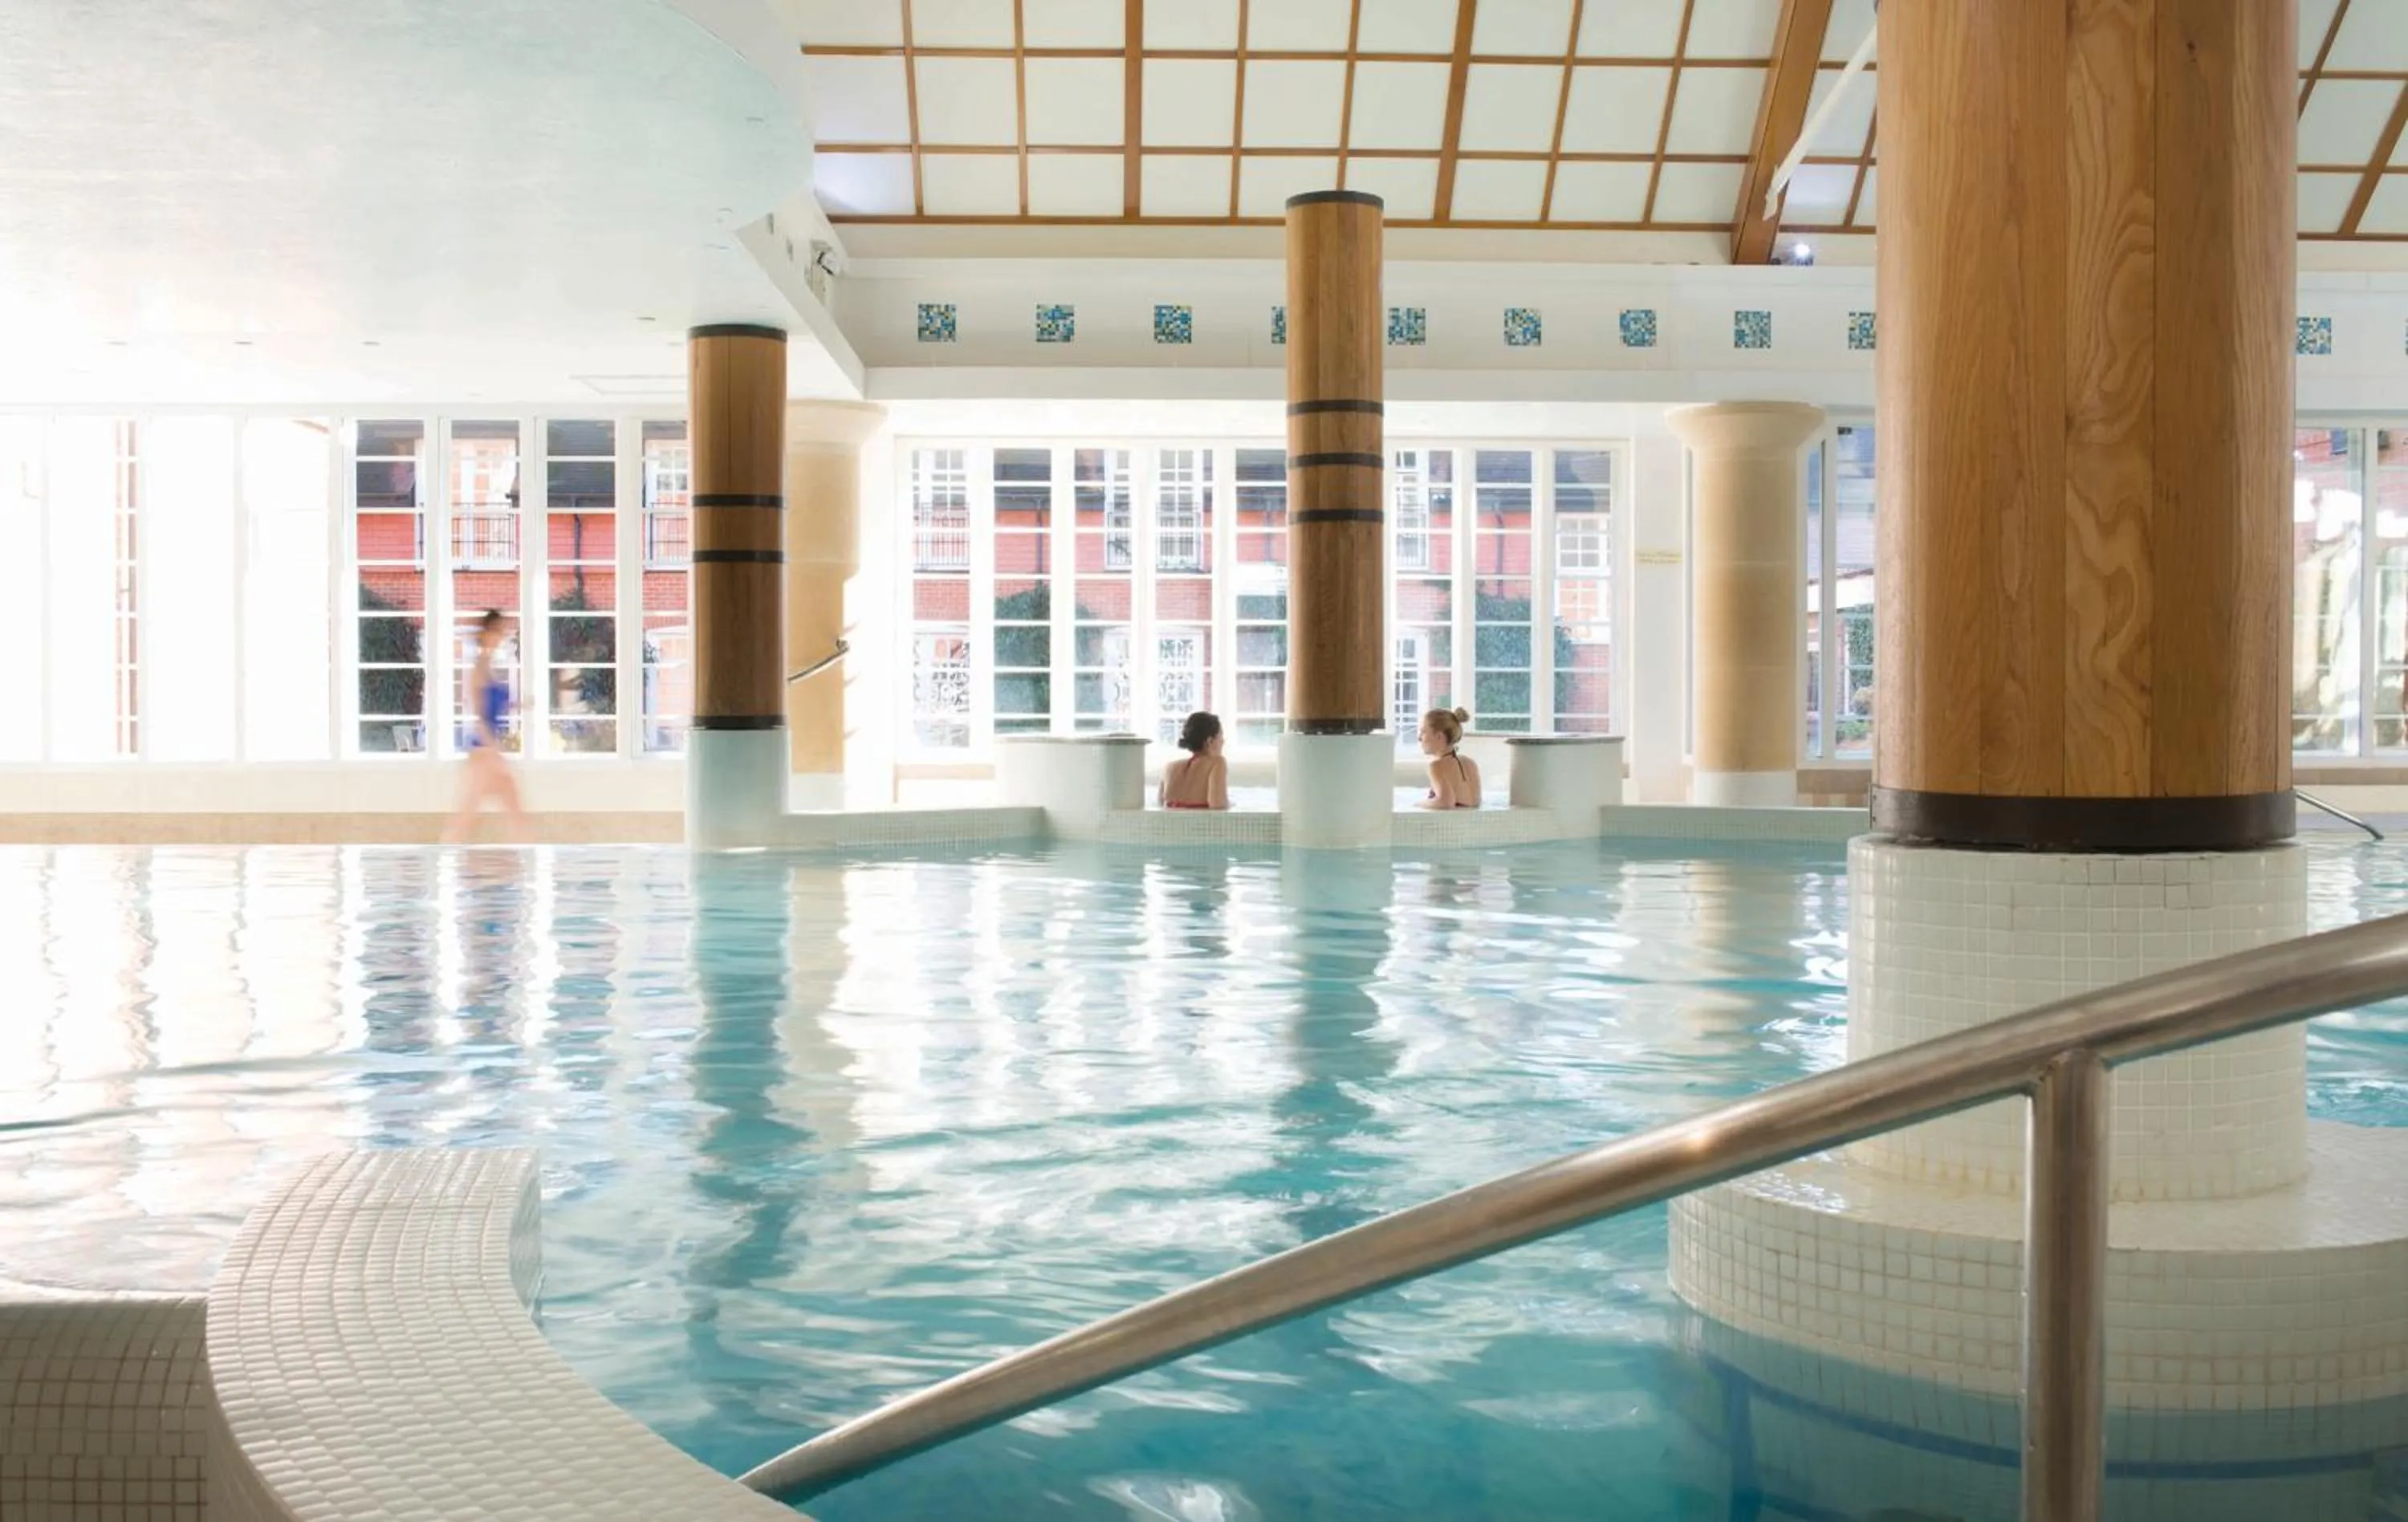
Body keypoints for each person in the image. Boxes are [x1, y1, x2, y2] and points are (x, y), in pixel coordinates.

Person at [443, 609, 529, 843]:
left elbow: (495, 706)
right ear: (489, 633)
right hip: (483, 751)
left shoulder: (489, 666)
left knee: (512, 808)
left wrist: (518, 704)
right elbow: (479, 718)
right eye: (500, 631)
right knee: (468, 815)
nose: (503, 636)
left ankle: (524, 864)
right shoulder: (478, 669)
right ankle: (445, 859)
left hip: (488, 750)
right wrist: (493, 750)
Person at [1160, 711, 1230, 811]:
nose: (1223, 741)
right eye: (1221, 736)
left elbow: (1160, 806)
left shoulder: (1169, 767)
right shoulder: (1217, 763)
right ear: (1210, 741)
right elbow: (1218, 806)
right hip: (1200, 825)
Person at [1418, 706, 1481, 809]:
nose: (1420, 738)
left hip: (1455, 824)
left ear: (1439, 736)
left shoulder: (1436, 766)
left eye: (1423, 732)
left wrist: (1419, 804)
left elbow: (1446, 802)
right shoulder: (1470, 763)